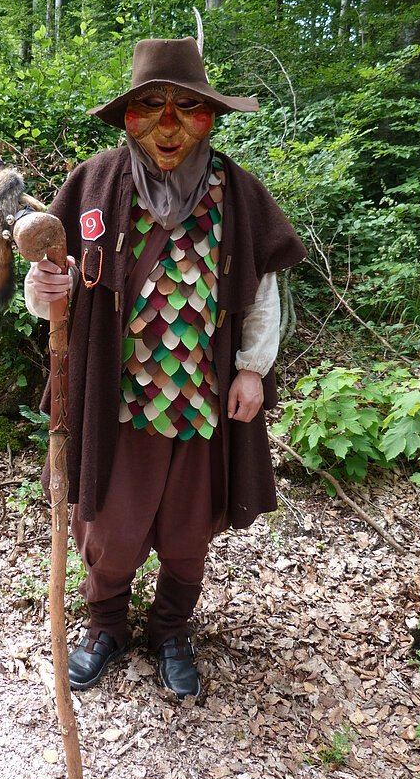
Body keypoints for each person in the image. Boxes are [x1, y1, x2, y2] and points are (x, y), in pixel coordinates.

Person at [24, 36, 306, 699]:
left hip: (201, 399)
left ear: (211, 116)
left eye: (188, 108)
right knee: (109, 526)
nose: (169, 126)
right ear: (128, 117)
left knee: (187, 530)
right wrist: (45, 290)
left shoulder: (237, 192)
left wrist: (250, 369)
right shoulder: (95, 183)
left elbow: (262, 291)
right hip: (114, 397)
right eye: (151, 106)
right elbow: (48, 291)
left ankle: (171, 630)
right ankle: (105, 626)